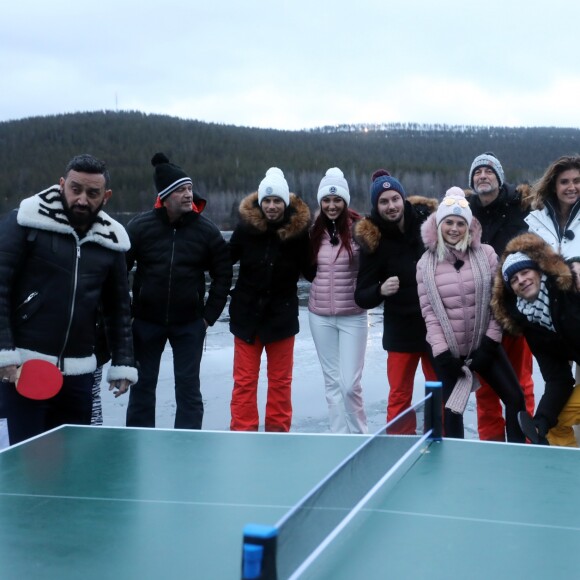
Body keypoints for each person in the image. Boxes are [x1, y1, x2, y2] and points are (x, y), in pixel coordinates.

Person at [0, 154, 137, 445]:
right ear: (62, 184)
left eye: (92, 193)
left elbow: (118, 308)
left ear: (106, 196)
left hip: (80, 372)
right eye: (75, 189)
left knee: (73, 466)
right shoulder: (25, 220)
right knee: (29, 463)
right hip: (26, 367)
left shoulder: (111, 241)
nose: (82, 199)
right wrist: (5, 355)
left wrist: (123, 361)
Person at [125, 153, 231, 430]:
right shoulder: (140, 227)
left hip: (189, 325)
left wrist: (207, 317)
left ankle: (187, 447)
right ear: (166, 195)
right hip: (146, 323)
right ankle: (138, 441)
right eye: (182, 190)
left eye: (189, 188)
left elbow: (223, 275)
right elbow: (116, 272)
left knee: (188, 390)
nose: (189, 195)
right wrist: (128, 314)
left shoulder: (206, 231)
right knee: (142, 388)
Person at [416, 186, 527, 442]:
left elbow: (496, 301)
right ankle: (457, 464)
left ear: (469, 227)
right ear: (438, 225)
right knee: (452, 411)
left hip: (484, 346)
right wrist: (443, 354)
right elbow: (429, 312)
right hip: (450, 353)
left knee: (515, 397)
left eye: (460, 223)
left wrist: (490, 343)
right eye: (448, 222)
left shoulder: (486, 254)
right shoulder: (425, 264)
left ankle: (519, 453)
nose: (454, 228)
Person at [354, 169, 438, 433]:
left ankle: (441, 441)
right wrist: (380, 290)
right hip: (400, 331)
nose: (391, 206)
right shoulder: (374, 240)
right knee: (400, 395)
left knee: (439, 389)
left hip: (435, 326)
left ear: (403, 199)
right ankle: (399, 444)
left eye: (394, 199)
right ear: (376, 206)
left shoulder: (429, 225)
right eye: (383, 201)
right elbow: (361, 295)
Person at [228, 167, 311, 432]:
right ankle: (242, 433)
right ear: (260, 202)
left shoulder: (298, 234)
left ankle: (278, 435)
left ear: (285, 203)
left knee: (280, 382)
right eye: (267, 200)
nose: (272, 206)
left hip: (282, 319)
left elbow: (312, 271)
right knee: (244, 381)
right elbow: (222, 259)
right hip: (246, 318)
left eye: (277, 201)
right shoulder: (245, 230)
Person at [467, 152, 535, 441]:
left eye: (488, 171)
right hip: (481, 316)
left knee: (521, 384)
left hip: (516, 312)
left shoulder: (521, 210)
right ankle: (491, 446)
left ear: (499, 177)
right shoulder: (466, 216)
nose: (483, 175)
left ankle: (527, 443)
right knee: (485, 388)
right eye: (477, 172)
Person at [492, 232, 580, 446]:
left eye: (525, 272)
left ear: (539, 272)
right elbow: (557, 379)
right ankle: (569, 474)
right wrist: (541, 420)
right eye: (513, 279)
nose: (521, 280)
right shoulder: (531, 324)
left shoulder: (570, 287)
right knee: (555, 424)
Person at [308, 167, 368, 434]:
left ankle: (360, 436)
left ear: (345, 201)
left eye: (337, 200)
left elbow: (377, 265)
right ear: (321, 202)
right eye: (326, 200)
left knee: (350, 385)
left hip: (352, 315)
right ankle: (338, 438)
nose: (331, 206)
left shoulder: (360, 231)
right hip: (319, 315)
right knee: (331, 383)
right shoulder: (312, 232)